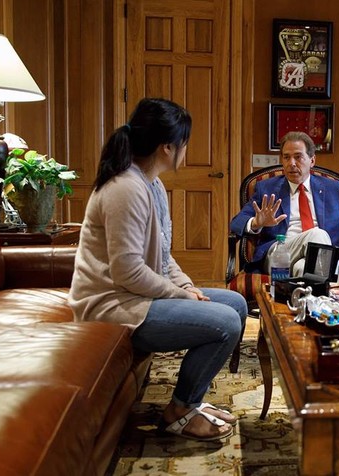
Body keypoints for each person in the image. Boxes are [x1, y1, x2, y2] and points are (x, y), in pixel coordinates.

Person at [69, 98, 247, 441]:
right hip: (113, 305)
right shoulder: (125, 189)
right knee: (225, 322)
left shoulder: (152, 184)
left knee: (235, 304)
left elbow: (163, 256)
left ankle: (191, 401)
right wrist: (180, 295)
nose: (186, 150)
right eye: (184, 142)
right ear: (167, 147)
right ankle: (180, 411)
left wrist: (187, 286)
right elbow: (127, 272)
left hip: (137, 297)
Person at [229, 131, 339, 283]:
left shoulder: (334, 189)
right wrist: (256, 223)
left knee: (303, 268)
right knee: (317, 234)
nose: (291, 163)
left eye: (298, 157)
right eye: (286, 157)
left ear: (312, 160)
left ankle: (321, 295)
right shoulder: (267, 188)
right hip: (280, 254)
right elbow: (236, 222)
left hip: (317, 258)